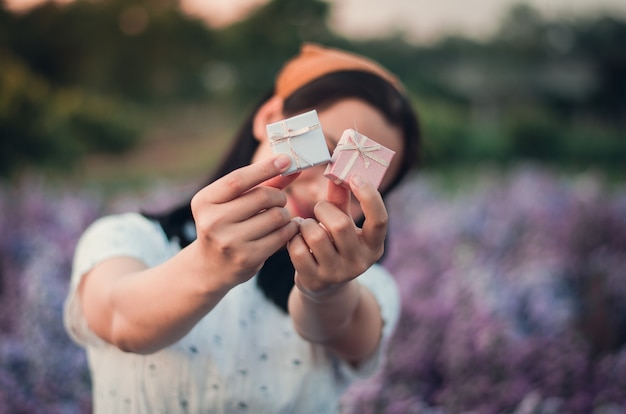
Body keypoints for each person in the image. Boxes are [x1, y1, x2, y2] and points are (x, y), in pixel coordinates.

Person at [64, 43, 420, 413]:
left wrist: (325, 290)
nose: (319, 191)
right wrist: (208, 264)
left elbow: (339, 325)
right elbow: (123, 321)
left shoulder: (369, 288)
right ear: (270, 115)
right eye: (325, 151)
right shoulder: (127, 238)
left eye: (358, 180)